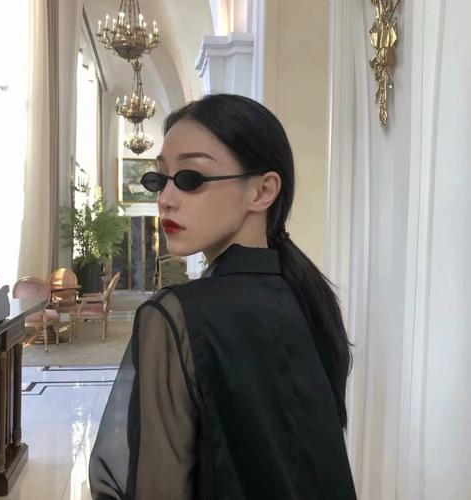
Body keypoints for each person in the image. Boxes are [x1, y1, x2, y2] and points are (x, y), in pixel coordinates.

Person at [89, 94, 357, 500]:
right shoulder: (309, 297)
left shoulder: (174, 317)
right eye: (160, 179)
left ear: (262, 191)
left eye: (191, 178)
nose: (165, 199)